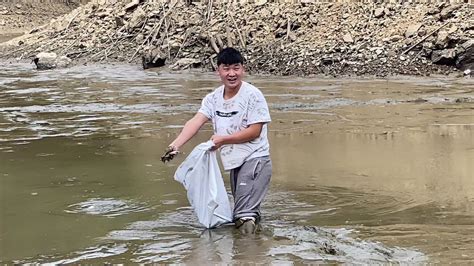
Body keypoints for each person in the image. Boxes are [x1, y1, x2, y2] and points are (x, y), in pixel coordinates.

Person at [163, 47, 272, 234]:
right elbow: (196, 121)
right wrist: (175, 145)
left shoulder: (253, 95)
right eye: (226, 68)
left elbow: (255, 131)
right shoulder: (213, 98)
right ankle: (259, 247)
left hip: (256, 160)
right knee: (246, 212)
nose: (232, 74)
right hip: (235, 163)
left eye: (236, 68)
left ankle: (246, 256)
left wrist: (224, 139)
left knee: (244, 216)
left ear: (243, 69)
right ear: (218, 71)